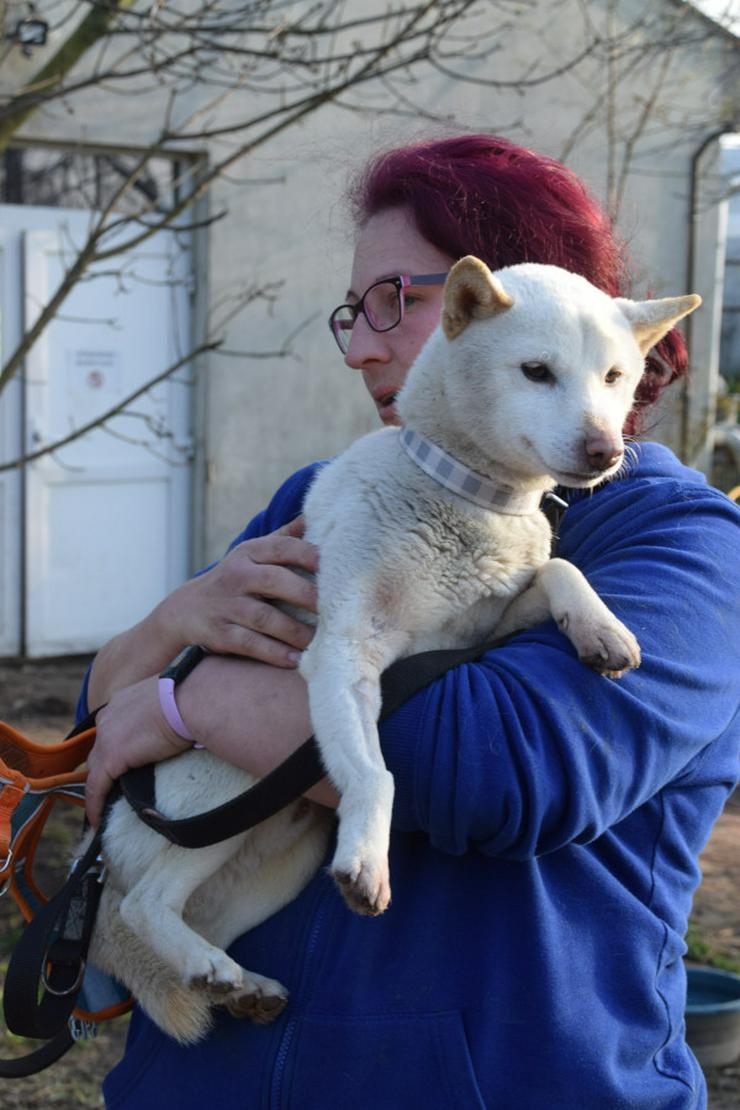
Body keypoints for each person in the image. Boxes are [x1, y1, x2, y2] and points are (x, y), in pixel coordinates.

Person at [80, 134, 740, 1110]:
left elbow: (499, 771)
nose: (365, 344)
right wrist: (172, 627)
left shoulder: (685, 545)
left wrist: (195, 701)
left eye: (400, 300)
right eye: (353, 311)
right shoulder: (332, 490)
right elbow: (108, 715)